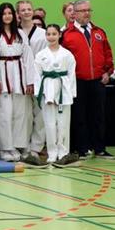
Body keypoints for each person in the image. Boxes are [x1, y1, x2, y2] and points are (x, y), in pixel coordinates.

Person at [61, 0, 115, 160]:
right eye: (83, 10)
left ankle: (100, 148)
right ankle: (82, 149)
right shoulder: (67, 35)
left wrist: (108, 72)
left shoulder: (99, 32)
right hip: (77, 81)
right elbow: (63, 59)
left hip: (98, 80)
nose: (86, 13)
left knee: (98, 115)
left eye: (89, 10)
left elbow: (108, 54)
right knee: (79, 116)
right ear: (74, 14)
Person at [0, 2, 35, 162]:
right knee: (4, 114)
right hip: (2, 74)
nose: (7, 16)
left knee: (21, 113)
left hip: (20, 75)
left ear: (14, 15)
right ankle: (6, 148)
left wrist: (30, 81)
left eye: (10, 13)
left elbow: (28, 58)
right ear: (0, 16)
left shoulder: (20, 34)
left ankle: (20, 145)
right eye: (4, 13)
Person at [32, 24, 78, 168]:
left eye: (54, 34)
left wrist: (70, 93)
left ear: (59, 35)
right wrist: (42, 94)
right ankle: (52, 153)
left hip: (63, 90)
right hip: (47, 90)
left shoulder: (67, 54)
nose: (51, 37)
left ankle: (63, 153)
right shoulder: (41, 55)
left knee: (63, 123)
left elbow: (71, 74)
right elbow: (37, 75)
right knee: (50, 124)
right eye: (48, 34)